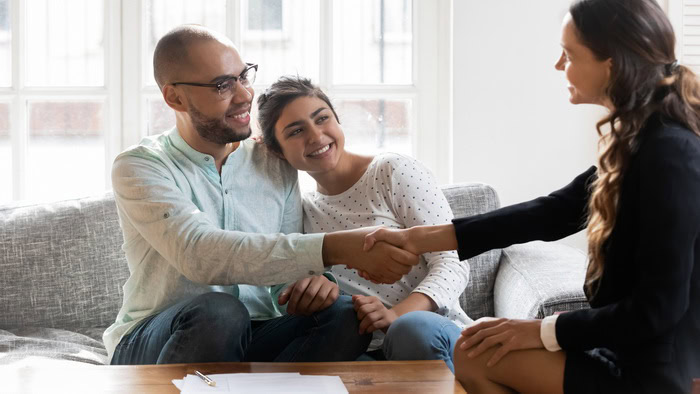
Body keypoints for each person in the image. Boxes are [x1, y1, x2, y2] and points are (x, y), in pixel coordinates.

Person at [363, 0, 700, 392]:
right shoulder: (640, 140)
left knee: (477, 351)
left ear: (611, 63)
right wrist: (415, 239)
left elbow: (657, 310)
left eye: (569, 54)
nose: (559, 66)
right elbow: (551, 212)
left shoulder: (670, 154)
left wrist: (542, 331)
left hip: (652, 375)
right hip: (623, 354)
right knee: (476, 346)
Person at [104, 25, 421, 365]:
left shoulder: (272, 162)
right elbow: (199, 254)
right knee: (221, 312)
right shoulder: (140, 166)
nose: (244, 95)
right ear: (175, 97)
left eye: (244, 76)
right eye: (223, 85)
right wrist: (338, 247)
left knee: (344, 312)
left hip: (256, 333)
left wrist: (311, 285)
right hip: (161, 336)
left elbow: (282, 276)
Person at [256, 76, 471, 372]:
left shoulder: (392, 171)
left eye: (322, 119)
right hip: (361, 348)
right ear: (277, 151)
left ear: (337, 120)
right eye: (296, 131)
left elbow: (453, 262)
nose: (317, 136)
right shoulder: (300, 212)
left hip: (429, 332)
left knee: (409, 330)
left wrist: (396, 315)